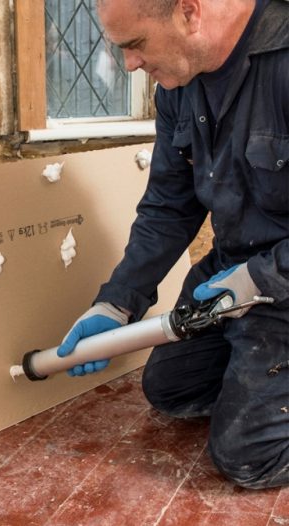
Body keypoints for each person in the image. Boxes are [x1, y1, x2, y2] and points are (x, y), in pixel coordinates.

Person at [57, 0, 288, 489]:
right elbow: (169, 204)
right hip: (231, 272)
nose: (129, 65)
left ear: (189, 12)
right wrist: (117, 302)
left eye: (135, 44)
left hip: (281, 281)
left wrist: (258, 279)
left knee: (249, 457)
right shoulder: (181, 84)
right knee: (170, 388)